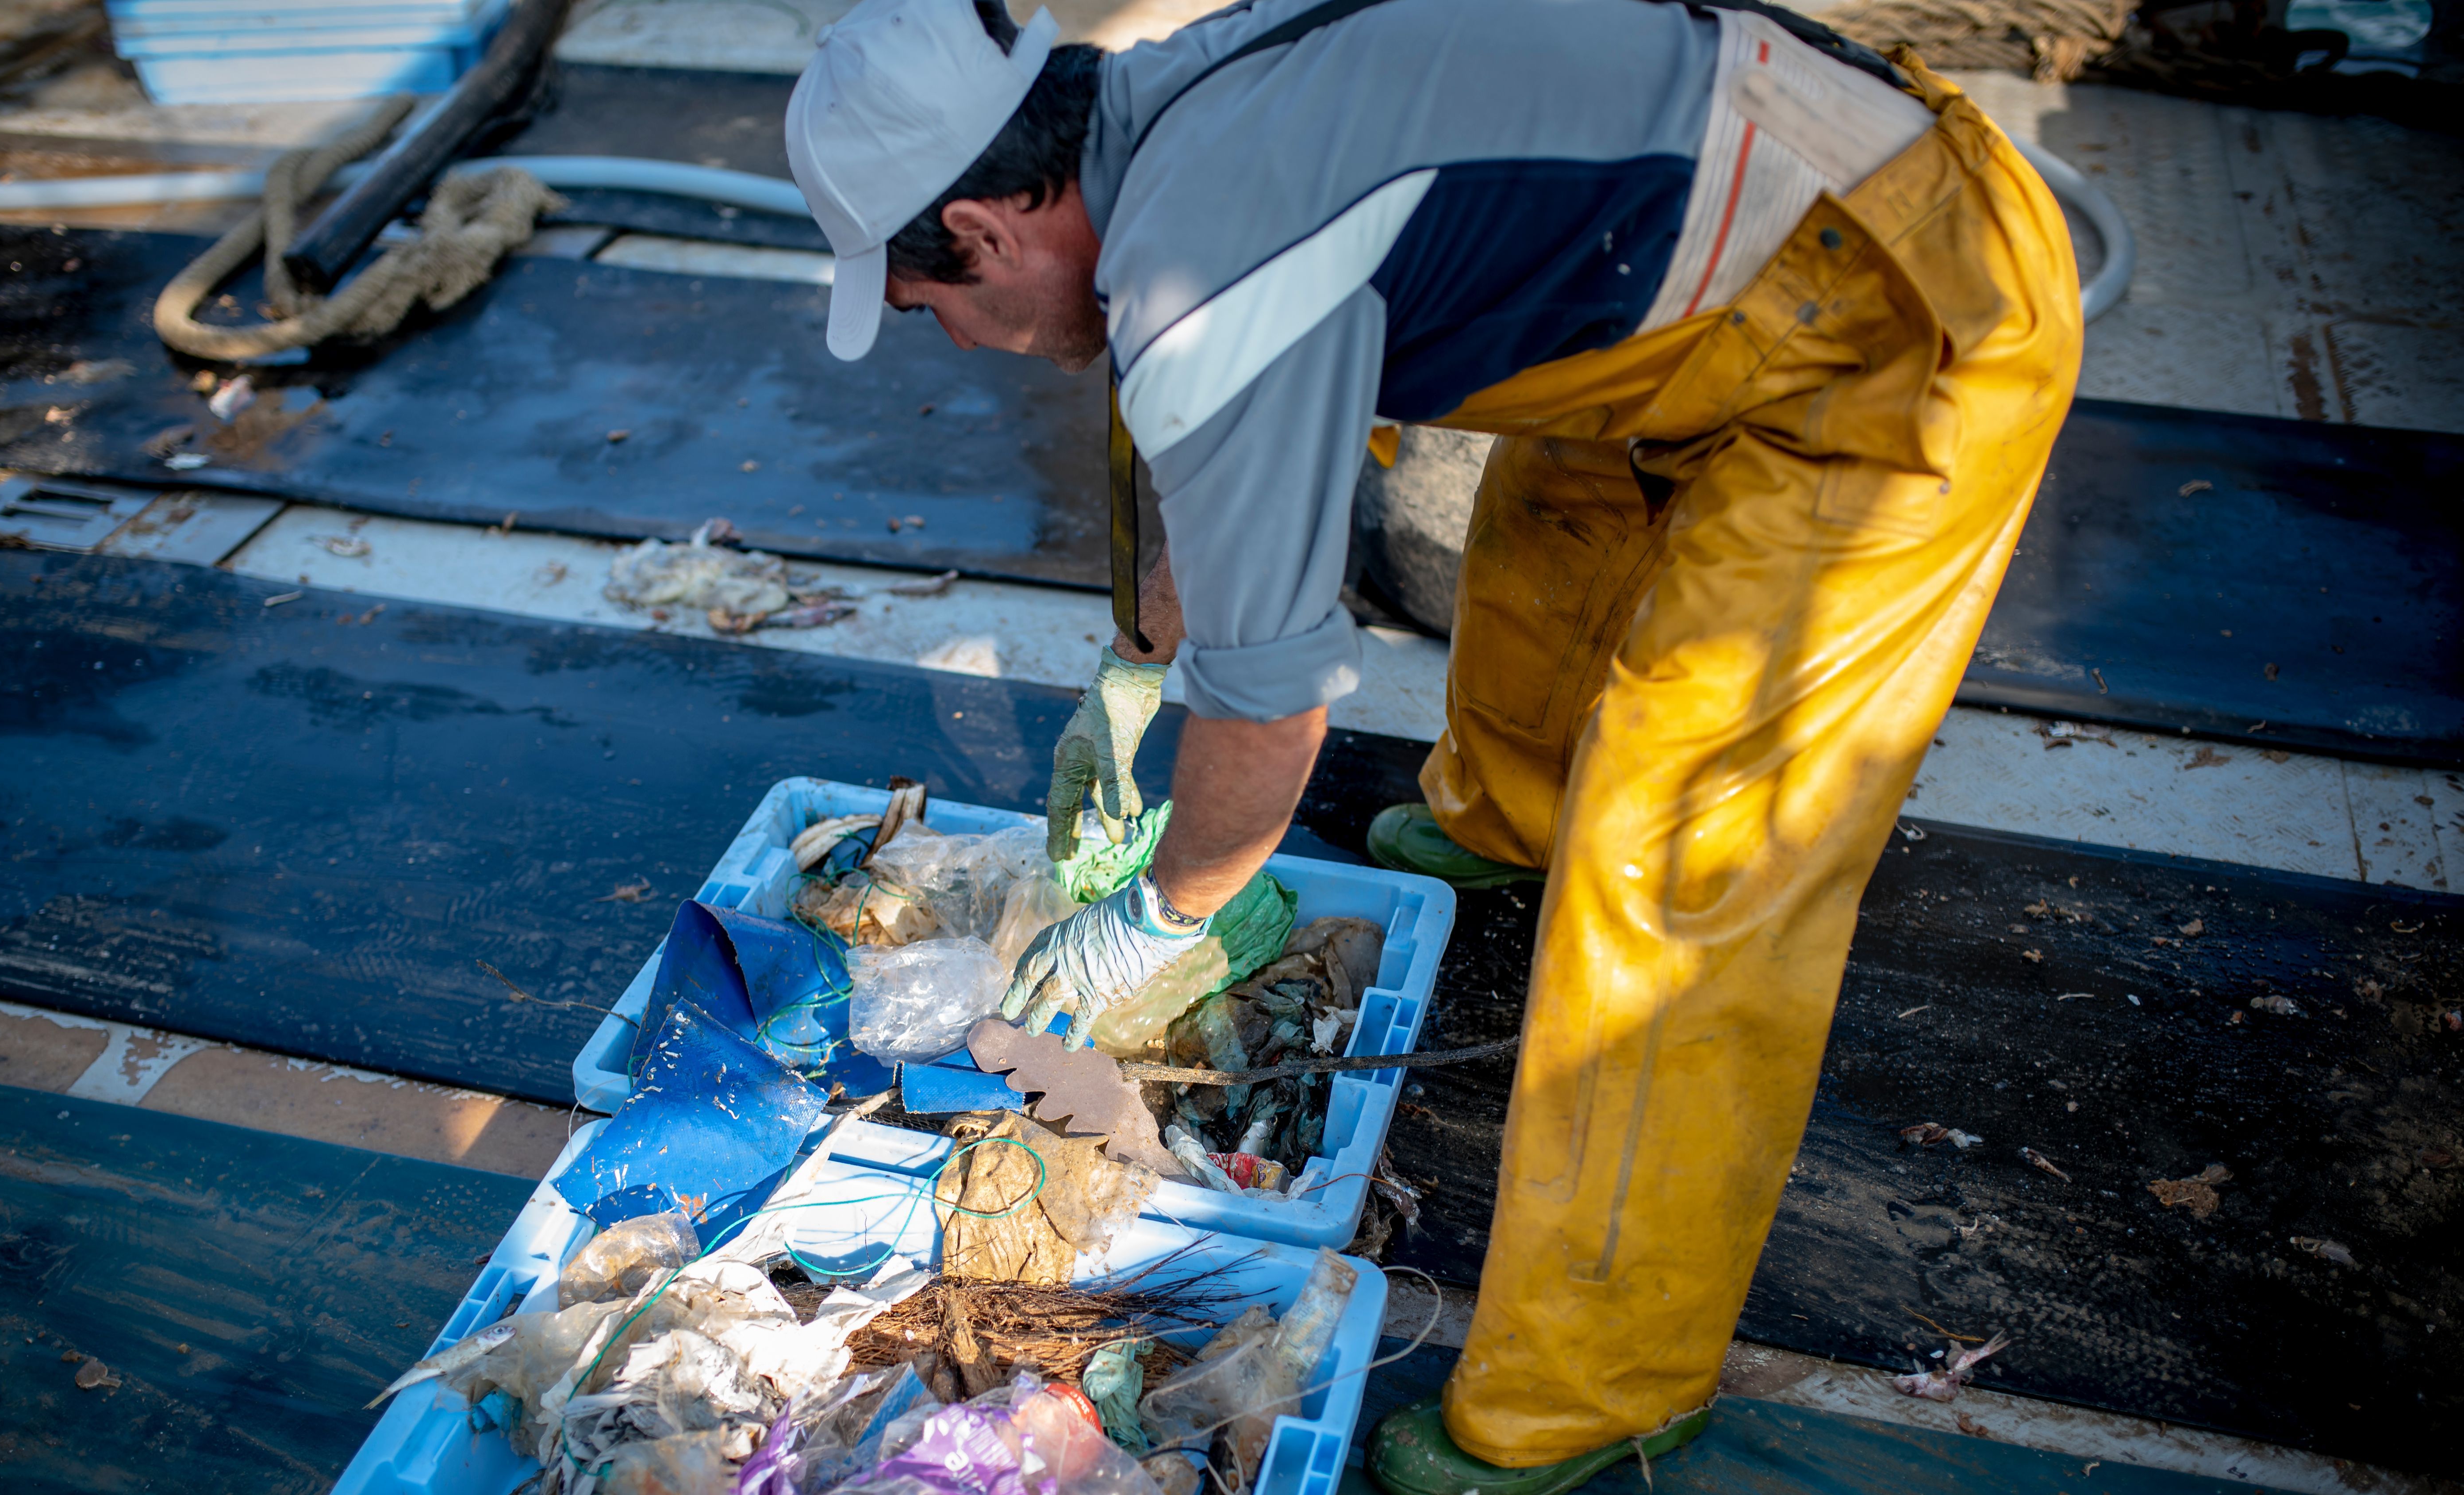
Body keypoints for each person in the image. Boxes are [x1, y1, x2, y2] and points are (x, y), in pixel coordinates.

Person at [784, 0, 2080, 1487]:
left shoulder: (1205, 270)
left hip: (1901, 318)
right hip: (1713, 270)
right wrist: (1136, 672)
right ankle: (1506, 828)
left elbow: (1271, 699)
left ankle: (1591, 1391)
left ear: (984, 228)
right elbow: (1212, 451)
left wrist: (1160, 912)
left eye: (919, 303)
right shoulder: (1150, 127)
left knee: (1680, 862)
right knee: (1548, 530)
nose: (951, 340)